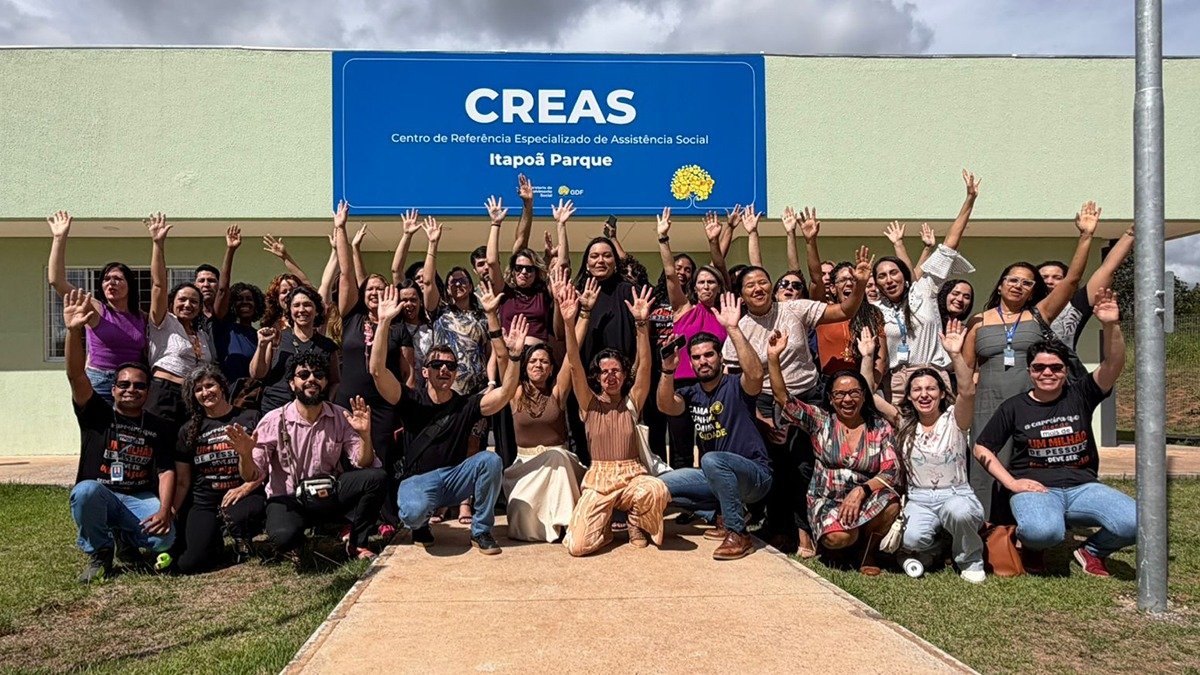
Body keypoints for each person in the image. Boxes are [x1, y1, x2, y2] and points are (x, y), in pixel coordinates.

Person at [973, 288, 1133, 577]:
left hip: (1083, 487)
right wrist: (1012, 483)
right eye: (1039, 368)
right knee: (1043, 531)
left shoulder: (1081, 394)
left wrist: (1111, 325)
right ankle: (1034, 543)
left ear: (1065, 370)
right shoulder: (1014, 407)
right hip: (1036, 489)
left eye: (1055, 368)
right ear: (1030, 371)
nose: (1047, 373)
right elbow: (982, 447)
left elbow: (1113, 364)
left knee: (1136, 522)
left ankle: (1092, 551)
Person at [723, 246, 871, 556]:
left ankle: (807, 532)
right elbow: (735, 383)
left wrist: (858, 284)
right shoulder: (740, 329)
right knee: (774, 467)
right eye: (749, 285)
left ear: (771, 286)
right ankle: (779, 529)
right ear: (742, 296)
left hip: (807, 397)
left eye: (763, 282)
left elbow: (844, 311)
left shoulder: (794, 309)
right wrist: (761, 419)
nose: (757, 288)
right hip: (765, 403)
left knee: (803, 465)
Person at [965, 201, 1101, 516]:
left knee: (1028, 464)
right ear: (1001, 284)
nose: (1019, 286)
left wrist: (1086, 237)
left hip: (1029, 404)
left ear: (1032, 291)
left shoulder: (1039, 314)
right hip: (987, 403)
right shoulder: (978, 321)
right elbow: (967, 370)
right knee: (984, 464)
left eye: (1027, 282)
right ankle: (983, 527)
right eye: (1013, 279)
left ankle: (1030, 524)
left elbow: (1071, 282)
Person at [368, 285, 522, 555]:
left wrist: (515, 356)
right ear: (425, 372)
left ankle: (481, 531)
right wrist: (383, 323)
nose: (444, 370)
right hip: (418, 481)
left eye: (450, 366)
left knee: (490, 460)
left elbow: (506, 392)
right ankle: (420, 525)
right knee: (413, 513)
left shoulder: (465, 404)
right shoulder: (411, 399)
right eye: (437, 365)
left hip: (454, 479)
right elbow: (378, 372)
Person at [61, 290, 175, 584]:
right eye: (123, 385)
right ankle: (100, 552)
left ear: (147, 392)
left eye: (139, 386)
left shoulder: (157, 425)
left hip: (137, 496)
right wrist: (74, 332)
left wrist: (164, 511)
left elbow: (166, 470)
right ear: (113, 389)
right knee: (85, 492)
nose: (130, 390)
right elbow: (76, 375)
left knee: (166, 539)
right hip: (103, 492)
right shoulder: (96, 414)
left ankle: (125, 537)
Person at [228, 352, 387, 560]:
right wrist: (245, 455)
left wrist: (365, 435)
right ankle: (300, 536)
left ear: (326, 382)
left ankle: (357, 543)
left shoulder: (340, 416)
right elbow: (251, 475)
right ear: (292, 383)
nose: (311, 379)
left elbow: (363, 462)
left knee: (377, 477)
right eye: (303, 375)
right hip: (289, 498)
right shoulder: (273, 420)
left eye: (318, 375)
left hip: (328, 492)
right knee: (283, 538)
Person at [768, 330, 901, 576]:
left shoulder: (880, 427)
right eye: (840, 394)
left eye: (854, 393)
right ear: (830, 398)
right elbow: (783, 399)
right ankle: (843, 542)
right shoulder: (820, 421)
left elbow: (891, 471)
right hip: (827, 499)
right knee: (839, 538)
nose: (847, 399)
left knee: (891, 505)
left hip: (865, 497)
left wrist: (861, 491)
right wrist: (773, 358)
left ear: (864, 396)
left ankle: (868, 552)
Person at [866, 321, 985, 583]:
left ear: (942, 393)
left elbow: (967, 391)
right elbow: (869, 395)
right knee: (911, 539)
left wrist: (955, 354)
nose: (924, 394)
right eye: (917, 390)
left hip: (956, 493)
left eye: (931, 388)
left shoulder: (955, 419)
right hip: (919, 498)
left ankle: (970, 558)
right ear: (908, 396)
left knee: (960, 513)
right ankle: (936, 548)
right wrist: (867, 357)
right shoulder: (904, 422)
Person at [656, 293, 772, 560]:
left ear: (720, 358)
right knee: (661, 486)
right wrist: (668, 370)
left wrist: (732, 329)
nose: (703, 361)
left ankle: (738, 532)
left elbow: (756, 375)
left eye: (709, 355)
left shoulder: (736, 386)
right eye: (696, 357)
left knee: (711, 459)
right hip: (716, 477)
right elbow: (666, 406)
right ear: (691, 362)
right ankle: (718, 514)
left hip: (754, 475)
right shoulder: (692, 393)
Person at [561, 284, 670, 556]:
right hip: (599, 479)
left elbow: (645, 366)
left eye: (616, 370)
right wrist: (569, 323)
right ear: (597, 377)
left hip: (633, 475)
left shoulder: (632, 402)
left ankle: (636, 522)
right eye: (604, 372)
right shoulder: (589, 403)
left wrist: (642, 324)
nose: (610, 376)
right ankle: (604, 527)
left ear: (623, 374)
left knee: (656, 489)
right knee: (578, 547)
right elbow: (574, 364)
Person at [331, 201, 414, 526]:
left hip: (383, 406)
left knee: (382, 459)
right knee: (348, 459)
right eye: (370, 288)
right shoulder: (350, 317)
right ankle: (350, 519)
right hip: (348, 401)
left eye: (381, 289)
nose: (375, 292)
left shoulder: (397, 327)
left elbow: (407, 372)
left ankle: (385, 517)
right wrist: (341, 228)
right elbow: (346, 273)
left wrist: (404, 407)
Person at [872, 170, 979, 403]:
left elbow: (949, 245)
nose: (889, 279)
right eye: (882, 276)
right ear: (877, 284)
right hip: (897, 383)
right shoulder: (876, 309)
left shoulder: (924, 289)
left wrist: (969, 200)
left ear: (905, 276)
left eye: (894, 273)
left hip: (934, 377)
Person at [497, 272, 586, 543]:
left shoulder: (558, 391)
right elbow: (502, 359)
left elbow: (573, 356)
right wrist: (493, 318)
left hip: (561, 465)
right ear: (525, 366)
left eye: (545, 362)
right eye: (534, 361)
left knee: (557, 457)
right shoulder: (515, 393)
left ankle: (568, 525)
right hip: (525, 467)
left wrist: (579, 317)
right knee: (521, 521)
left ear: (551, 369)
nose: (539, 365)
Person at [650, 207, 730, 469]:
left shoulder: (726, 313)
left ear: (719, 286)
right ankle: (684, 492)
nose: (706, 286)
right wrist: (663, 239)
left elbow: (721, 266)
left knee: (713, 447)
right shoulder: (684, 308)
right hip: (681, 386)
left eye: (711, 282)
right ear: (693, 286)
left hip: (714, 385)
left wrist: (718, 238)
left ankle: (713, 490)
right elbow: (671, 274)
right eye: (701, 282)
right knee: (682, 449)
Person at [171, 365, 265, 574]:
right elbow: (183, 480)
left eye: (210, 385)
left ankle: (242, 538)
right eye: (198, 389)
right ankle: (214, 542)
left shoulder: (250, 417)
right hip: (205, 500)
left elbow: (266, 462)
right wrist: (172, 511)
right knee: (190, 564)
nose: (205, 392)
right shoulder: (188, 430)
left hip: (243, 493)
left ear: (222, 387)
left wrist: (247, 481)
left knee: (238, 515)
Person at [47, 210, 147, 403]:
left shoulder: (141, 317)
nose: (111, 283)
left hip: (132, 384)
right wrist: (59, 238)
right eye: (106, 279)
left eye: (117, 279)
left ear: (130, 285)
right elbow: (56, 281)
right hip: (100, 382)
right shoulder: (95, 308)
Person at [144, 213, 215, 434]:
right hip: (164, 393)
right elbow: (158, 285)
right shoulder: (163, 322)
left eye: (194, 302)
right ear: (171, 302)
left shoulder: (201, 334)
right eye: (182, 299)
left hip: (192, 397)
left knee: (185, 447)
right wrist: (158, 244)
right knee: (158, 445)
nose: (187, 304)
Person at [1038, 223, 1134, 349]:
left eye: (1057, 277)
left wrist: (1131, 233)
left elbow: (1108, 268)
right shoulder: (1022, 306)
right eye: (1044, 277)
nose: (1049, 281)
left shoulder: (1075, 304)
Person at [251, 285, 340, 413]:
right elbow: (257, 374)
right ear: (290, 311)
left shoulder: (327, 346)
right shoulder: (277, 337)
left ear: (316, 310)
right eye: (296, 305)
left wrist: (326, 403)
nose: (301, 310)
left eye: (307, 305)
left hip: (312, 413)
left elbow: (335, 381)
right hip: (276, 409)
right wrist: (262, 345)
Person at [213, 281, 266, 386]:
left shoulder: (259, 336)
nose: (245, 302)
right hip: (229, 391)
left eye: (249, 299)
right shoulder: (224, 329)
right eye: (239, 299)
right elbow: (222, 290)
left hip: (253, 392)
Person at [193, 224, 240, 337]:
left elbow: (223, 290)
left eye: (211, 280)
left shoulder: (223, 311)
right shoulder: (188, 314)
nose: (206, 284)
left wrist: (230, 250)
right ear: (194, 285)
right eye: (201, 281)